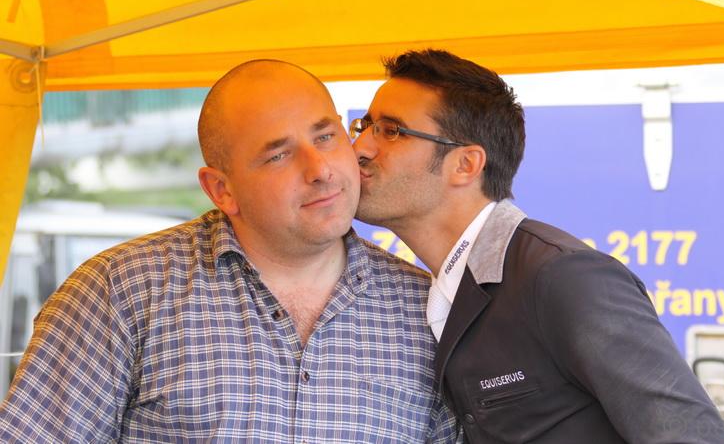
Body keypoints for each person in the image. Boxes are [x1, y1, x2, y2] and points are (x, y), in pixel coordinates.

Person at [0, 59, 458, 442]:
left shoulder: (427, 310)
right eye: (278, 155)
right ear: (222, 189)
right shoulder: (121, 292)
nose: (319, 169)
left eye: (326, 136)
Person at [350, 49, 724, 443]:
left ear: (465, 165)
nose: (359, 147)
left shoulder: (562, 277)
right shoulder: (447, 291)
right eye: (364, 126)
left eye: (391, 131)